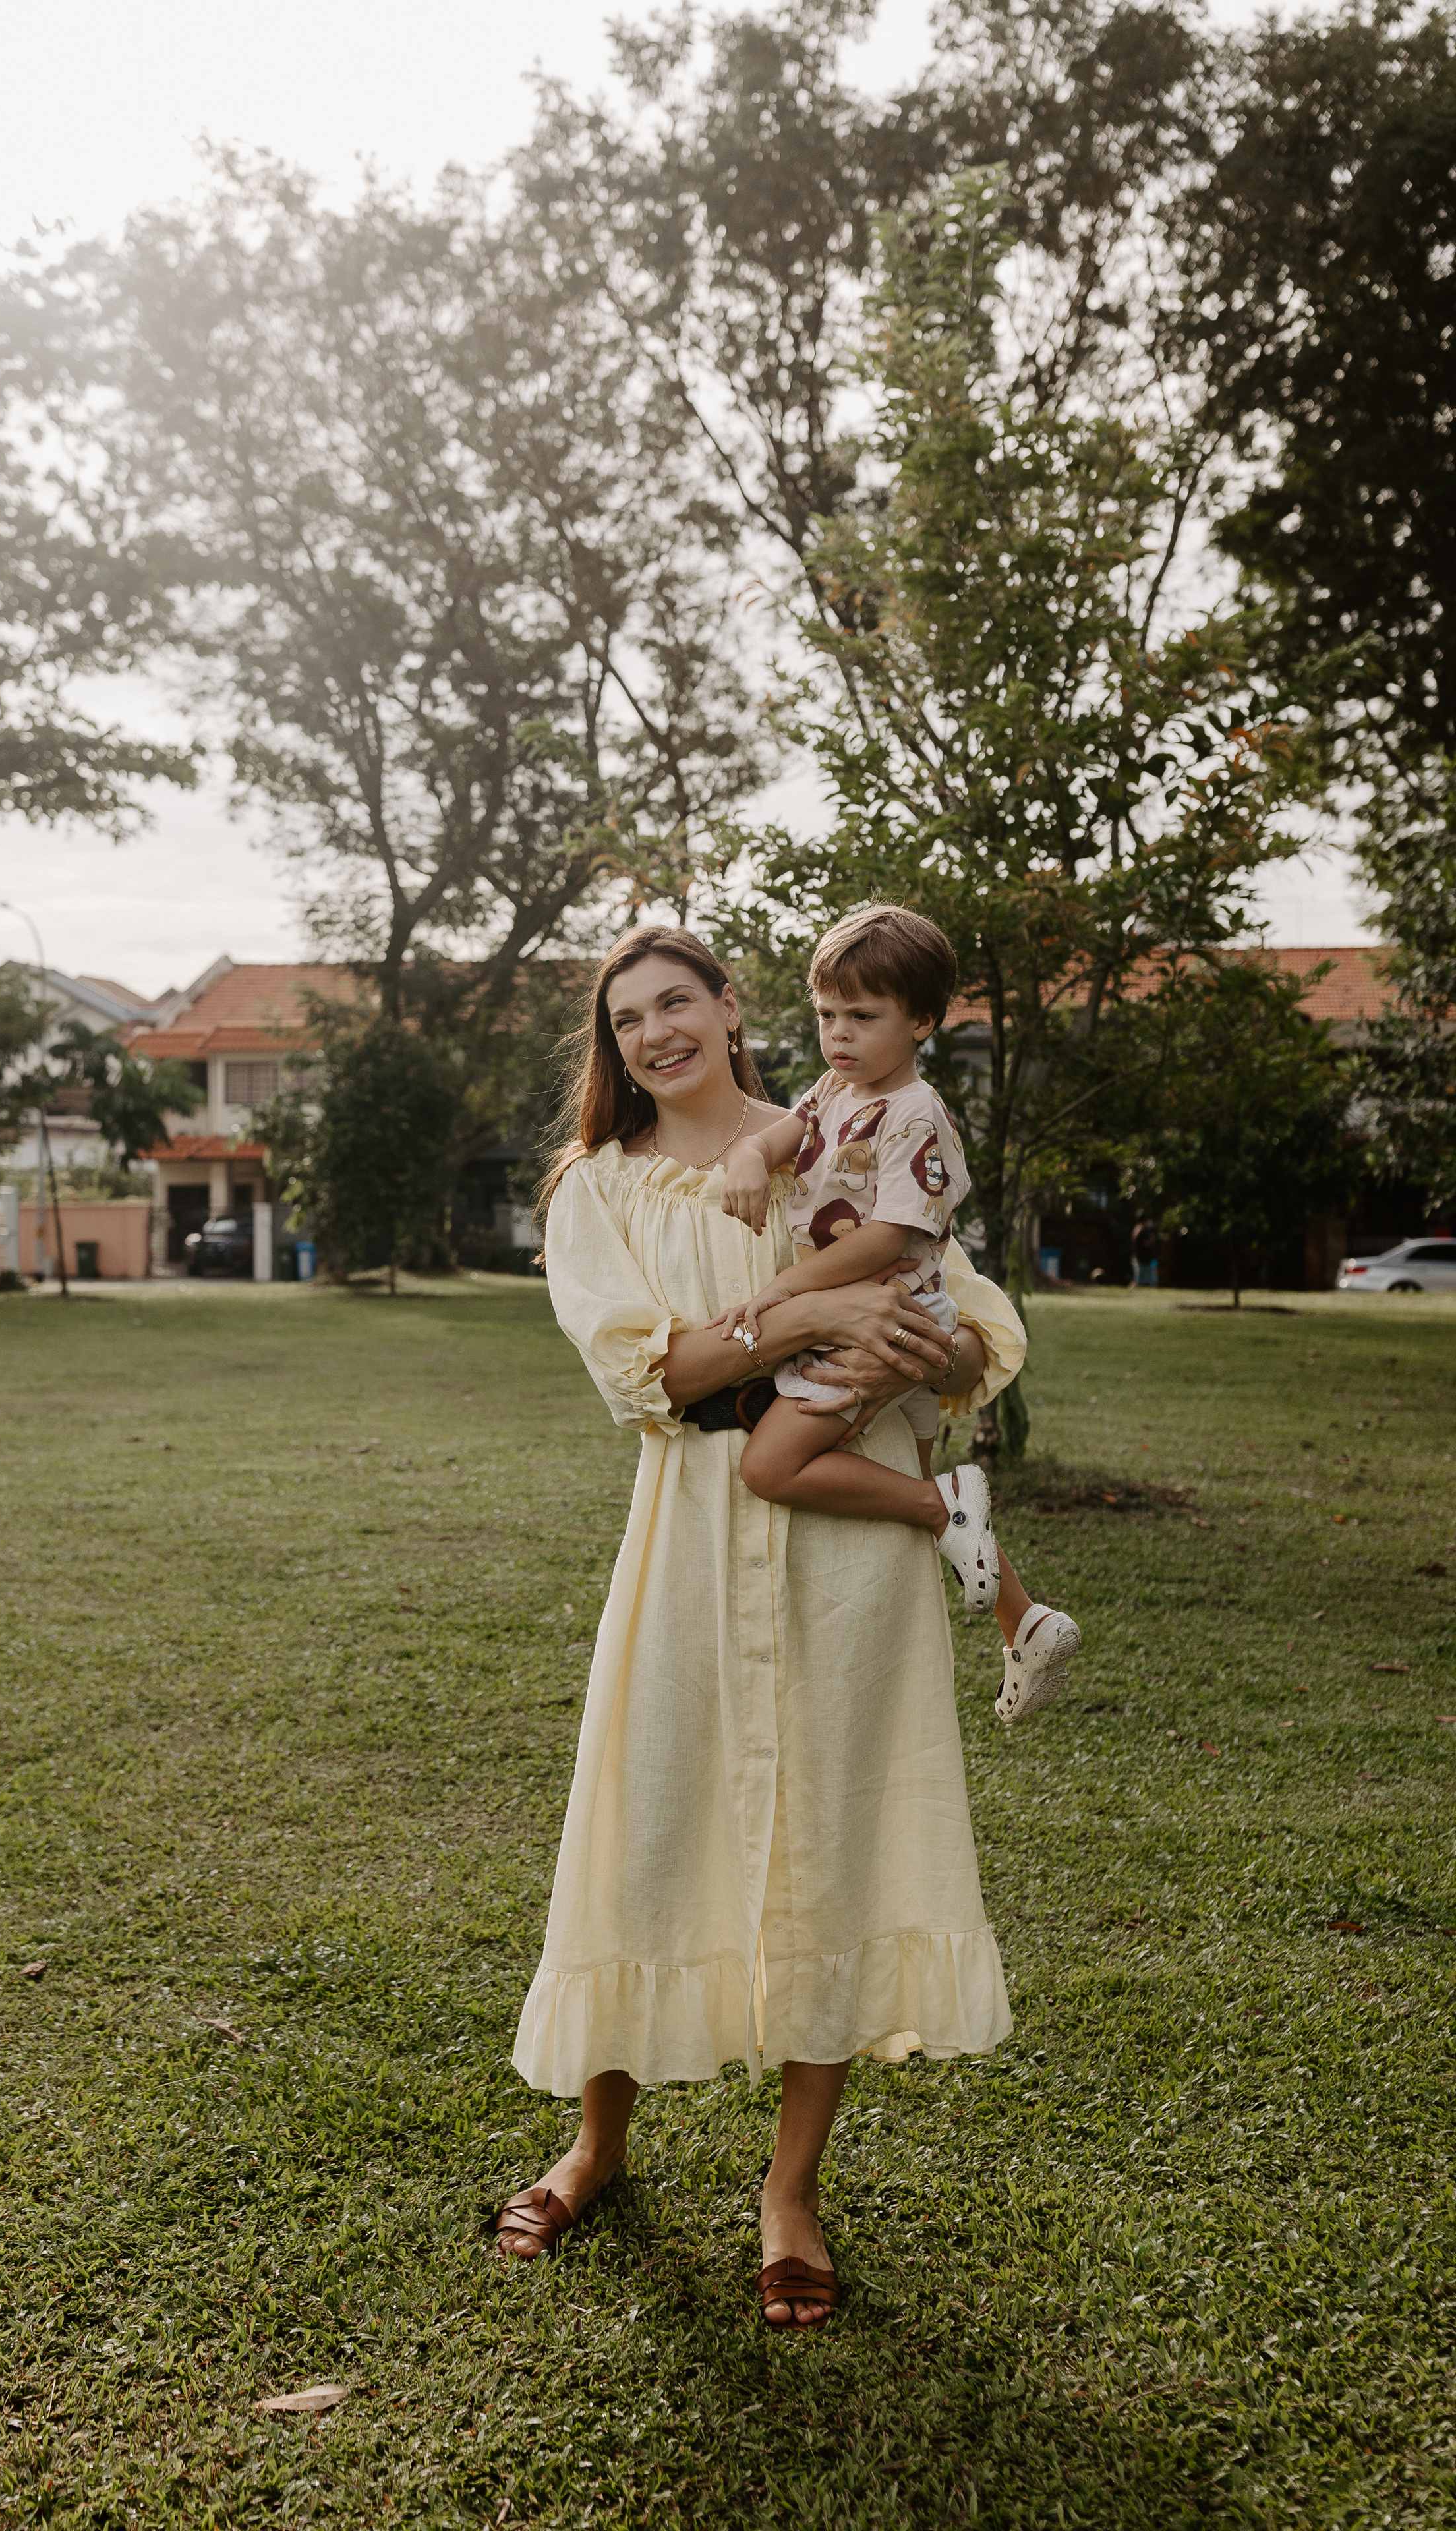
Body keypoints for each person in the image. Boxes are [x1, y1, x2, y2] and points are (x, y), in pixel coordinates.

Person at [497, 926, 1025, 2327]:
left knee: (829, 1841)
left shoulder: (845, 1140)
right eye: (627, 1021)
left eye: (679, 1001)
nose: (657, 1033)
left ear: (733, 1010)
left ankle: (789, 2190)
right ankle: (598, 2146)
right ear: (613, 1053)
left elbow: (965, 1323)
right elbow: (656, 1373)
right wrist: (822, 1316)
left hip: (845, 1547)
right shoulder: (594, 1193)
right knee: (649, 1823)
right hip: (684, 1532)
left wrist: (935, 1342)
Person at [716, 904, 1080, 1726]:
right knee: (918, 1493)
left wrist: (785, 1292)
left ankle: (947, 1502)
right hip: (882, 1313)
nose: (838, 1035)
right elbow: (785, 1133)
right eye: (825, 1015)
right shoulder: (835, 1089)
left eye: (863, 1017)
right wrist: (748, 1151)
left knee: (771, 1468)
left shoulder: (915, 1112)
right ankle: (1024, 1622)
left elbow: (889, 1235)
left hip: (882, 1319)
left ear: (921, 1020)